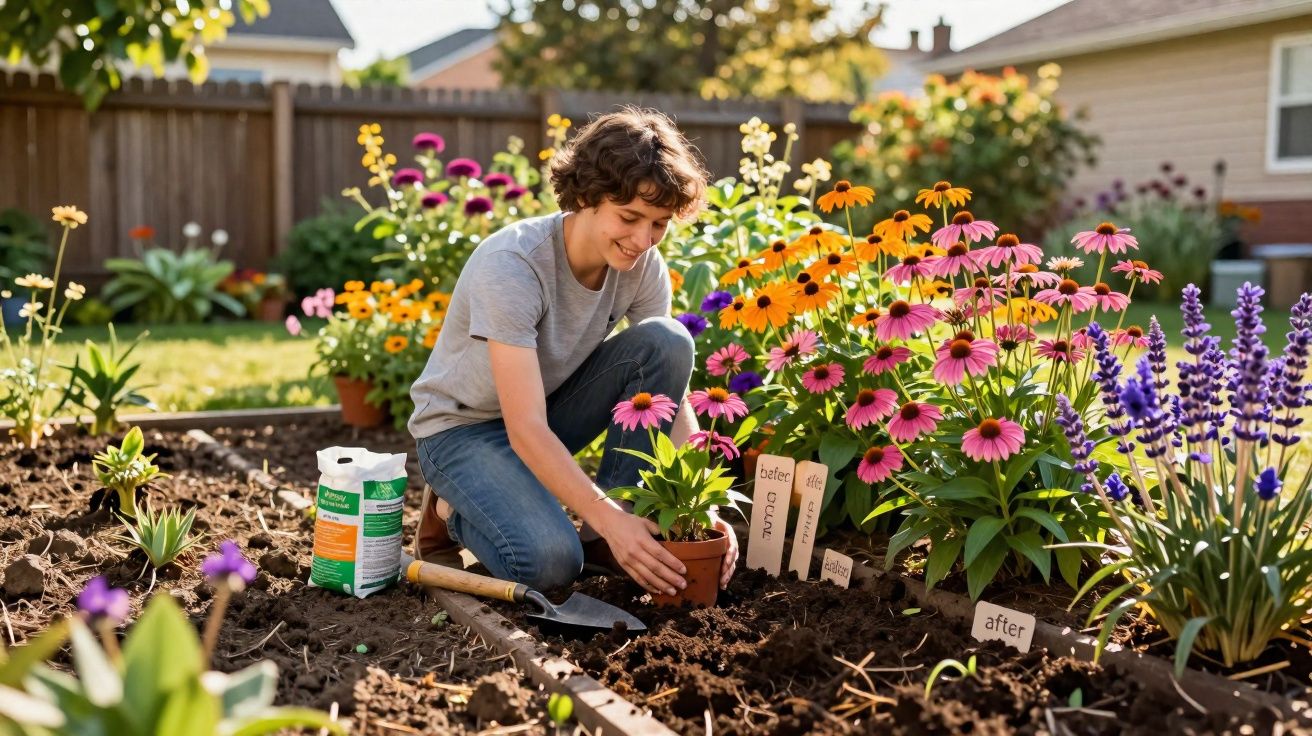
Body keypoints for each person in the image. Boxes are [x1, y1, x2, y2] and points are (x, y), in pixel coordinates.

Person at [408, 107, 740, 597]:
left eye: (659, 224)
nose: (643, 240)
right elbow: (523, 428)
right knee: (551, 565)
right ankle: (450, 508)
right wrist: (599, 510)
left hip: (548, 410)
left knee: (668, 340)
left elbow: (672, 392)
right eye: (629, 217)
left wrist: (699, 506)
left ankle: (613, 527)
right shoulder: (513, 266)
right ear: (586, 196)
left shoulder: (643, 264)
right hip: (462, 431)